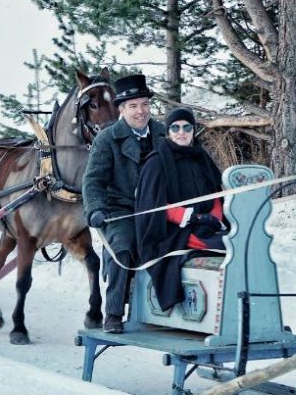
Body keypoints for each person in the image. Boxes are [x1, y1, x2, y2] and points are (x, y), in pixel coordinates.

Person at [82, 74, 166, 333]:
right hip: (121, 211)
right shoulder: (107, 139)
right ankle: (114, 313)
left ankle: (174, 310)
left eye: (144, 104)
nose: (140, 111)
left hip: (158, 210)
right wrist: (95, 208)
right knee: (123, 247)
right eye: (133, 106)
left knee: (181, 244)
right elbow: (93, 180)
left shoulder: (165, 133)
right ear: (121, 109)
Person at [134, 107, 227, 312]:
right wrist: (189, 217)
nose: (181, 132)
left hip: (205, 224)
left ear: (193, 130)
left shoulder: (202, 157)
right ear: (168, 132)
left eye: (187, 127)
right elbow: (152, 206)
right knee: (224, 244)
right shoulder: (156, 161)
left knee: (233, 240)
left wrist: (214, 218)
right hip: (170, 231)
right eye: (175, 128)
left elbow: (216, 194)